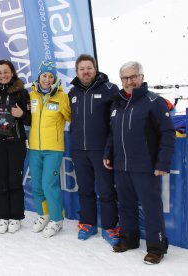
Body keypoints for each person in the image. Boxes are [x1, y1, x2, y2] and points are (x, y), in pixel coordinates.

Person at [103, 61, 175, 265]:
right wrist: (108, 153)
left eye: (133, 76)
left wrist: (162, 163)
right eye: (125, 78)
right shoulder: (117, 103)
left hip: (146, 168)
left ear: (142, 77)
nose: (129, 81)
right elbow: (112, 132)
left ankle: (156, 248)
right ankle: (129, 239)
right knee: (125, 205)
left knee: (151, 208)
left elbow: (168, 134)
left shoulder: (154, 102)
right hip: (121, 166)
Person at [68, 54, 120, 245]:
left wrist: (109, 150)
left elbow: (115, 123)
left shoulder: (109, 89)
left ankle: (110, 227)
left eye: (89, 68)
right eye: (82, 69)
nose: (86, 72)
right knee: (85, 189)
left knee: (106, 190)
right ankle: (88, 223)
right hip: (79, 150)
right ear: (77, 72)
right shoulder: (72, 93)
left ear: (95, 69)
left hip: (101, 150)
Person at [0, 60, 30, 234]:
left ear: (12, 72)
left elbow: (30, 119)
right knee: (1, 180)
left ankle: (16, 216)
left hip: (16, 142)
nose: (3, 75)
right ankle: (2, 216)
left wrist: (21, 114)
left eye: (6, 71)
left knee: (14, 180)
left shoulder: (22, 92)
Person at [29, 61, 71, 238]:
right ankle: (43, 214)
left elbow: (72, 118)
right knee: (37, 185)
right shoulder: (31, 95)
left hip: (53, 148)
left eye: (50, 76)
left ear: (55, 79)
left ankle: (57, 219)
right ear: (39, 77)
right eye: (44, 75)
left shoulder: (62, 97)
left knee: (49, 184)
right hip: (34, 147)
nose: (47, 79)